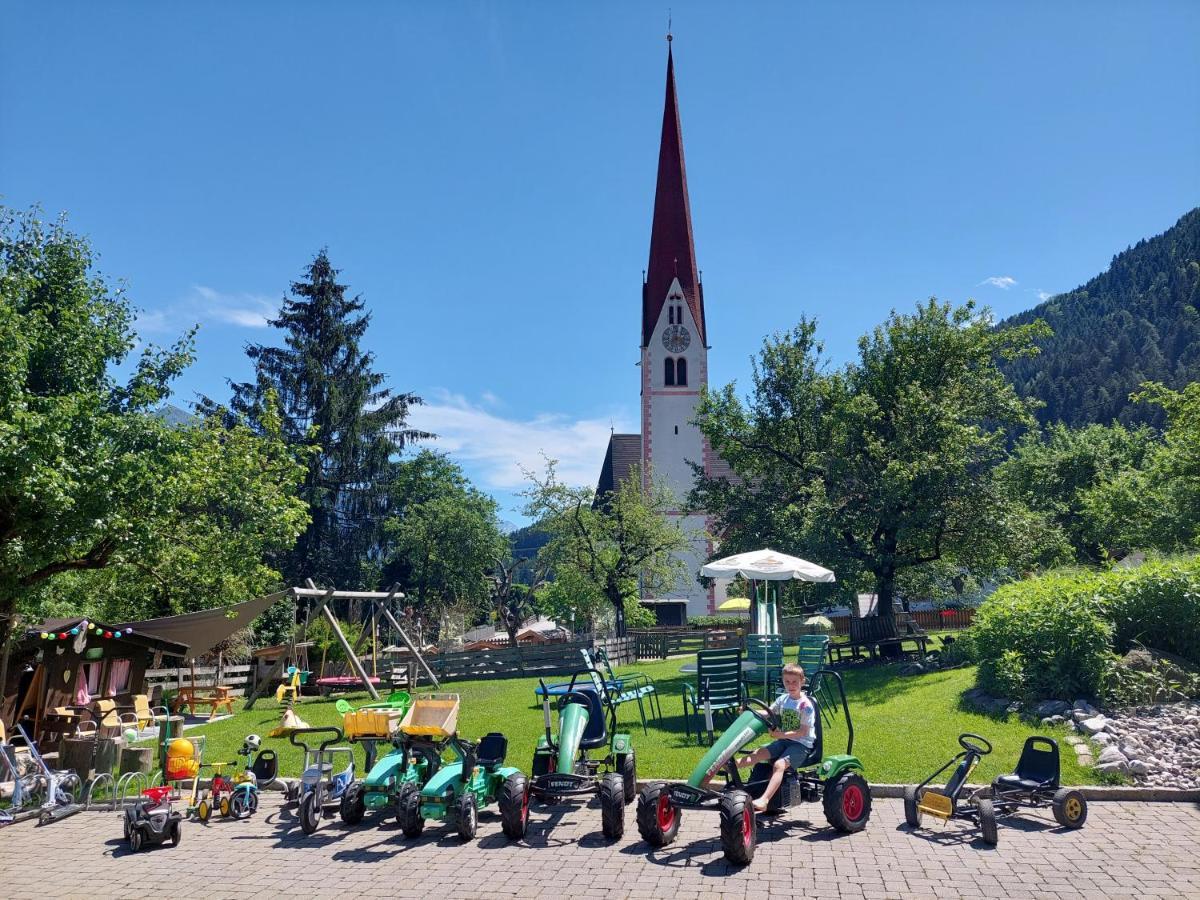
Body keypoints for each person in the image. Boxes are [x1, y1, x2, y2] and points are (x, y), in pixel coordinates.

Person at [735, 663, 816, 813]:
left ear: (802, 681)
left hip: (801, 746)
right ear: (783, 681)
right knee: (759, 753)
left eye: (794, 682)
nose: (791, 685)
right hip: (783, 742)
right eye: (787, 682)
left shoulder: (806, 706)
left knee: (779, 765)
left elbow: (803, 732)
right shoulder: (783, 700)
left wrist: (780, 734)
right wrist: (748, 711)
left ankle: (764, 800)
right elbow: (768, 712)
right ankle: (730, 767)